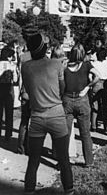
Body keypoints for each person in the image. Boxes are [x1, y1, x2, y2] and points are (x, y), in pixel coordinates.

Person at [21, 33, 74, 195]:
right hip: (57, 114)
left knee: (33, 160)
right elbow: (63, 88)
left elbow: (28, 92)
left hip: (37, 116)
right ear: (45, 48)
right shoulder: (56, 64)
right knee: (64, 159)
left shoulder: (26, 67)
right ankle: (69, 191)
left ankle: (29, 191)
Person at [63, 43, 100, 166]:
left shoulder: (65, 65)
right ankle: (89, 161)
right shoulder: (86, 65)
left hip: (67, 99)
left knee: (65, 134)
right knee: (85, 133)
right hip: (82, 99)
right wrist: (87, 87)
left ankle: (64, 160)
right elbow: (98, 76)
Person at [0, 46, 18, 143]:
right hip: (8, 88)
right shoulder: (12, 66)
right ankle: (8, 135)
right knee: (9, 113)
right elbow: (15, 79)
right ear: (8, 57)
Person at [90, 48, 107, 132]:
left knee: (95, 105)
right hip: (105, 83)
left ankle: (93, 125)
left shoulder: (94, 64)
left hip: (96, 82)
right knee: (105, 105)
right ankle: (106, 126)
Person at [17, 45, 32, 155]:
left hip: (25, 92)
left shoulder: (22, 57)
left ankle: (21, 147)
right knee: (36, 122)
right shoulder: (42, 58)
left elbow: (20, 77)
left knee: (24, 121)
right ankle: (31, 147)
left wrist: (20, 91)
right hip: (36, 94)